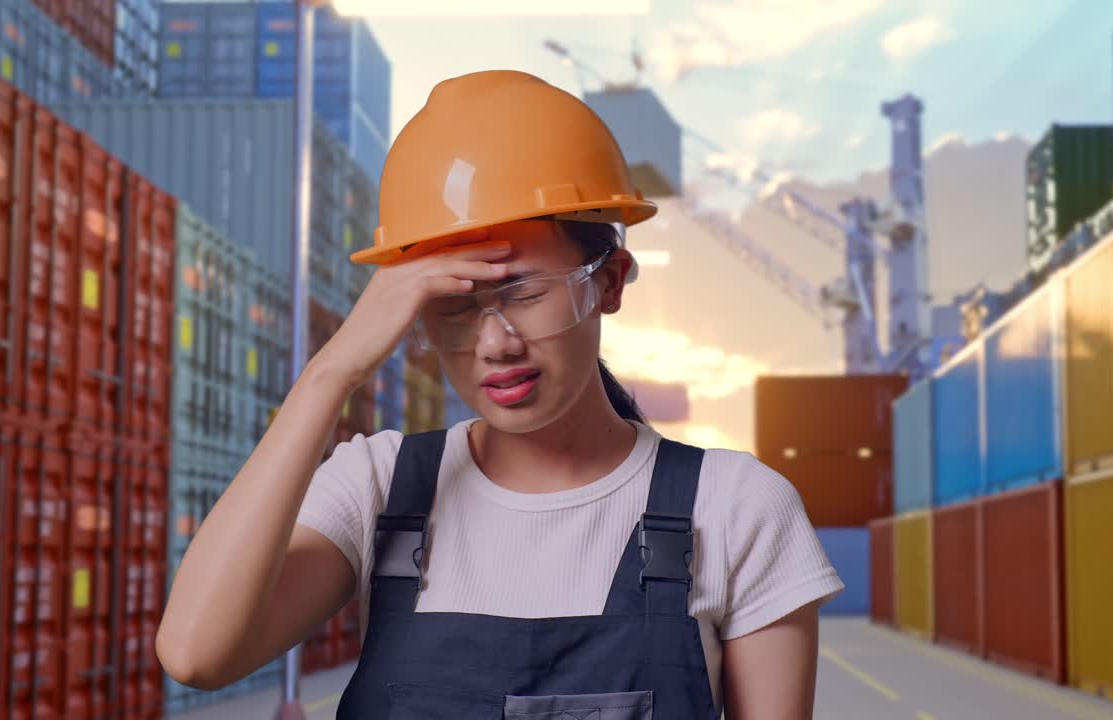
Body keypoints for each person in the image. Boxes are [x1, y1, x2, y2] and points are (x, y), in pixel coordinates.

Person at [158, 70, 843, 719]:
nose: (495, 343)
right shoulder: (377, 487)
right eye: (452, 305)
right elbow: (195, 653)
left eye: (522, 293)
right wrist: (331, 371)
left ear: (610, 282)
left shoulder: (735, 510)